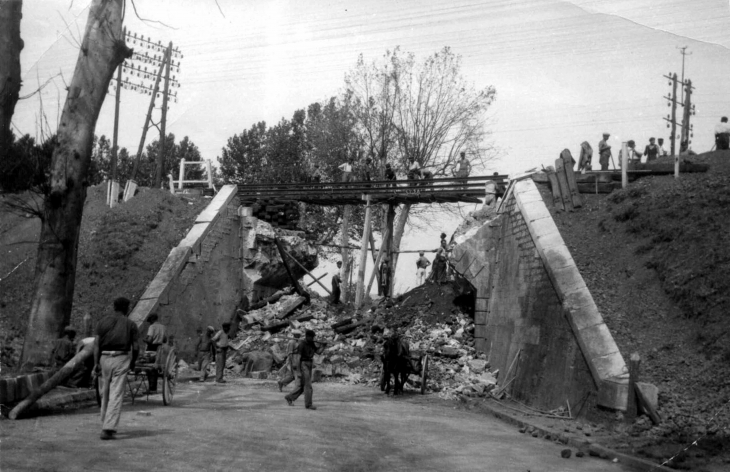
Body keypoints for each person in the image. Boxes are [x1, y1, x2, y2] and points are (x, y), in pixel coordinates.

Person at [94, 297, 138, 440]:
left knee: (104, 393)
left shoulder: (102, 322)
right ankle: (108, 428)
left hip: (103, 358)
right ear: (127, 308)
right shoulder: (130, 324)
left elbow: (96, 345)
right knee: (116, 393)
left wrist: (96, 363)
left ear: (114, 307)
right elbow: (136, 347)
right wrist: (133, 362)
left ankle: (105, 423)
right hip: (121, 358)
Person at [284, 329, 325, 410]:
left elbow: (318, 352)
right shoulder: (302, 344)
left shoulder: (311, 343)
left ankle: (289, 397)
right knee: (308, 386)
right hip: (303, 364)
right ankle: (308, 405)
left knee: (303, 386)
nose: (313, 338)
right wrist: (298, 370)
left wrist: (323, 346)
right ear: (308, 337)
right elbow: (298, 358)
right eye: (312, 337)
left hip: (309, 363)